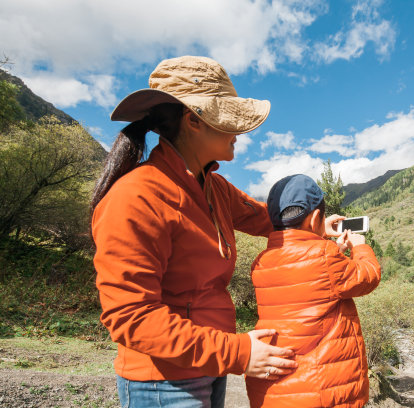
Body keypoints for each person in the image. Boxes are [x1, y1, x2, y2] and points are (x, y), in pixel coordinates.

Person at [90, 56, 300, 407]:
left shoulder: (215, 187)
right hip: (163, 383)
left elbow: (267, 219)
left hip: (208, 364)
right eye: (230, 121)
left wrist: (317, 224)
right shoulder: (136, 196)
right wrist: (238, 352)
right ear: (194, 121)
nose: (238, 134)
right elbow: (132, 318)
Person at [245, 174, 382, 408]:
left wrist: (323, 245)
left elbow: (308, 279)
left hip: (274, 390)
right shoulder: (326, 257)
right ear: (317, 217)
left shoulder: (261, 261)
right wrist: (360, 248)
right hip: (320, 391)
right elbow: (368, 277)